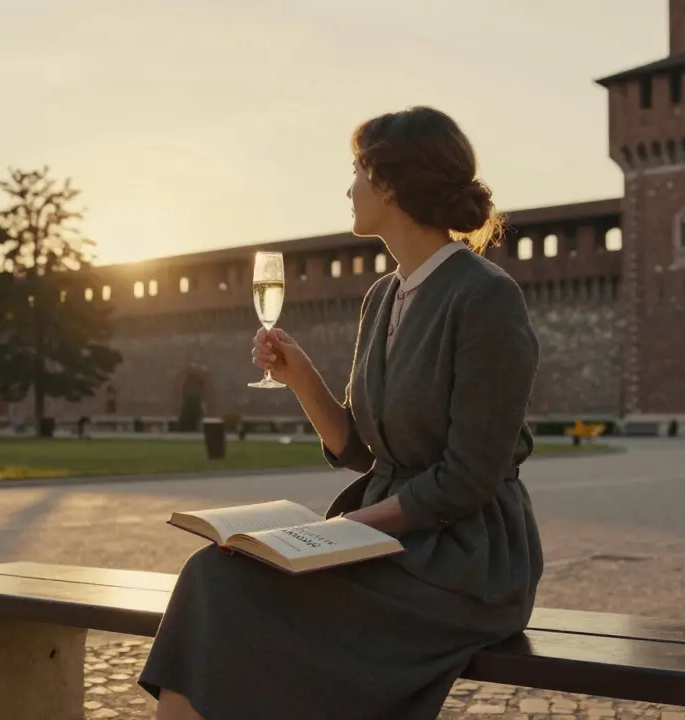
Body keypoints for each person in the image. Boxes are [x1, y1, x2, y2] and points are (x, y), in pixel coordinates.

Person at [137, 106, 544, 720]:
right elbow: (360, 447)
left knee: (228, 587)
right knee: (213, 573)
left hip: (465, 562)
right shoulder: (384, 295)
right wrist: (301, 376)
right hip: (391, 541)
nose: (347, 186)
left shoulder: (486, 297)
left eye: (356, 169)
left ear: (388, 183)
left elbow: (468, 479)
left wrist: (339, 535)